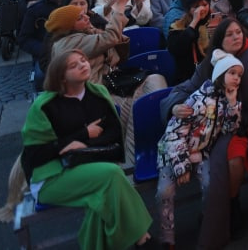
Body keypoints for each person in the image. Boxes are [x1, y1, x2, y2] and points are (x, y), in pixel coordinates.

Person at [161, 18, 248, 243]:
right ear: (220, 40)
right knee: (223, 160)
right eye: (229, 34)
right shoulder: (210, 64)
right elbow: (184, 88)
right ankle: (229, 209)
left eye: (238, 32)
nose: (236, 37)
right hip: (227, 126)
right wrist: (175, 106)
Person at [20, 50, 152, 250]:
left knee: (104, 196)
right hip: (52, 176)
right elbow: (35, 155)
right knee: (113, 176)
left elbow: (114, 135)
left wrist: (84, 145)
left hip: (91, 166)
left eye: (83, 60)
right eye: (74, 65)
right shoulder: (44, 107)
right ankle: (143, 237)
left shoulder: (98, 94)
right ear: (61, 77)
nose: (83, 65)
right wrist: (81, 135)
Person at [155, 50, 243, 250]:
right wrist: (181, 166)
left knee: (211, 187)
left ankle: (207, 220)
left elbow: (230, 129)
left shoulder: (227, 100)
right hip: (173, 153)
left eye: (239, 75)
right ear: (220, 75)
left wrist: (232, 105)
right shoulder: (197, 99)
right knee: (164, 192)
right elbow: (174, 132)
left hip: (200, 153)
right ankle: (167, 238)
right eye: (232, 73)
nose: (237, 78)